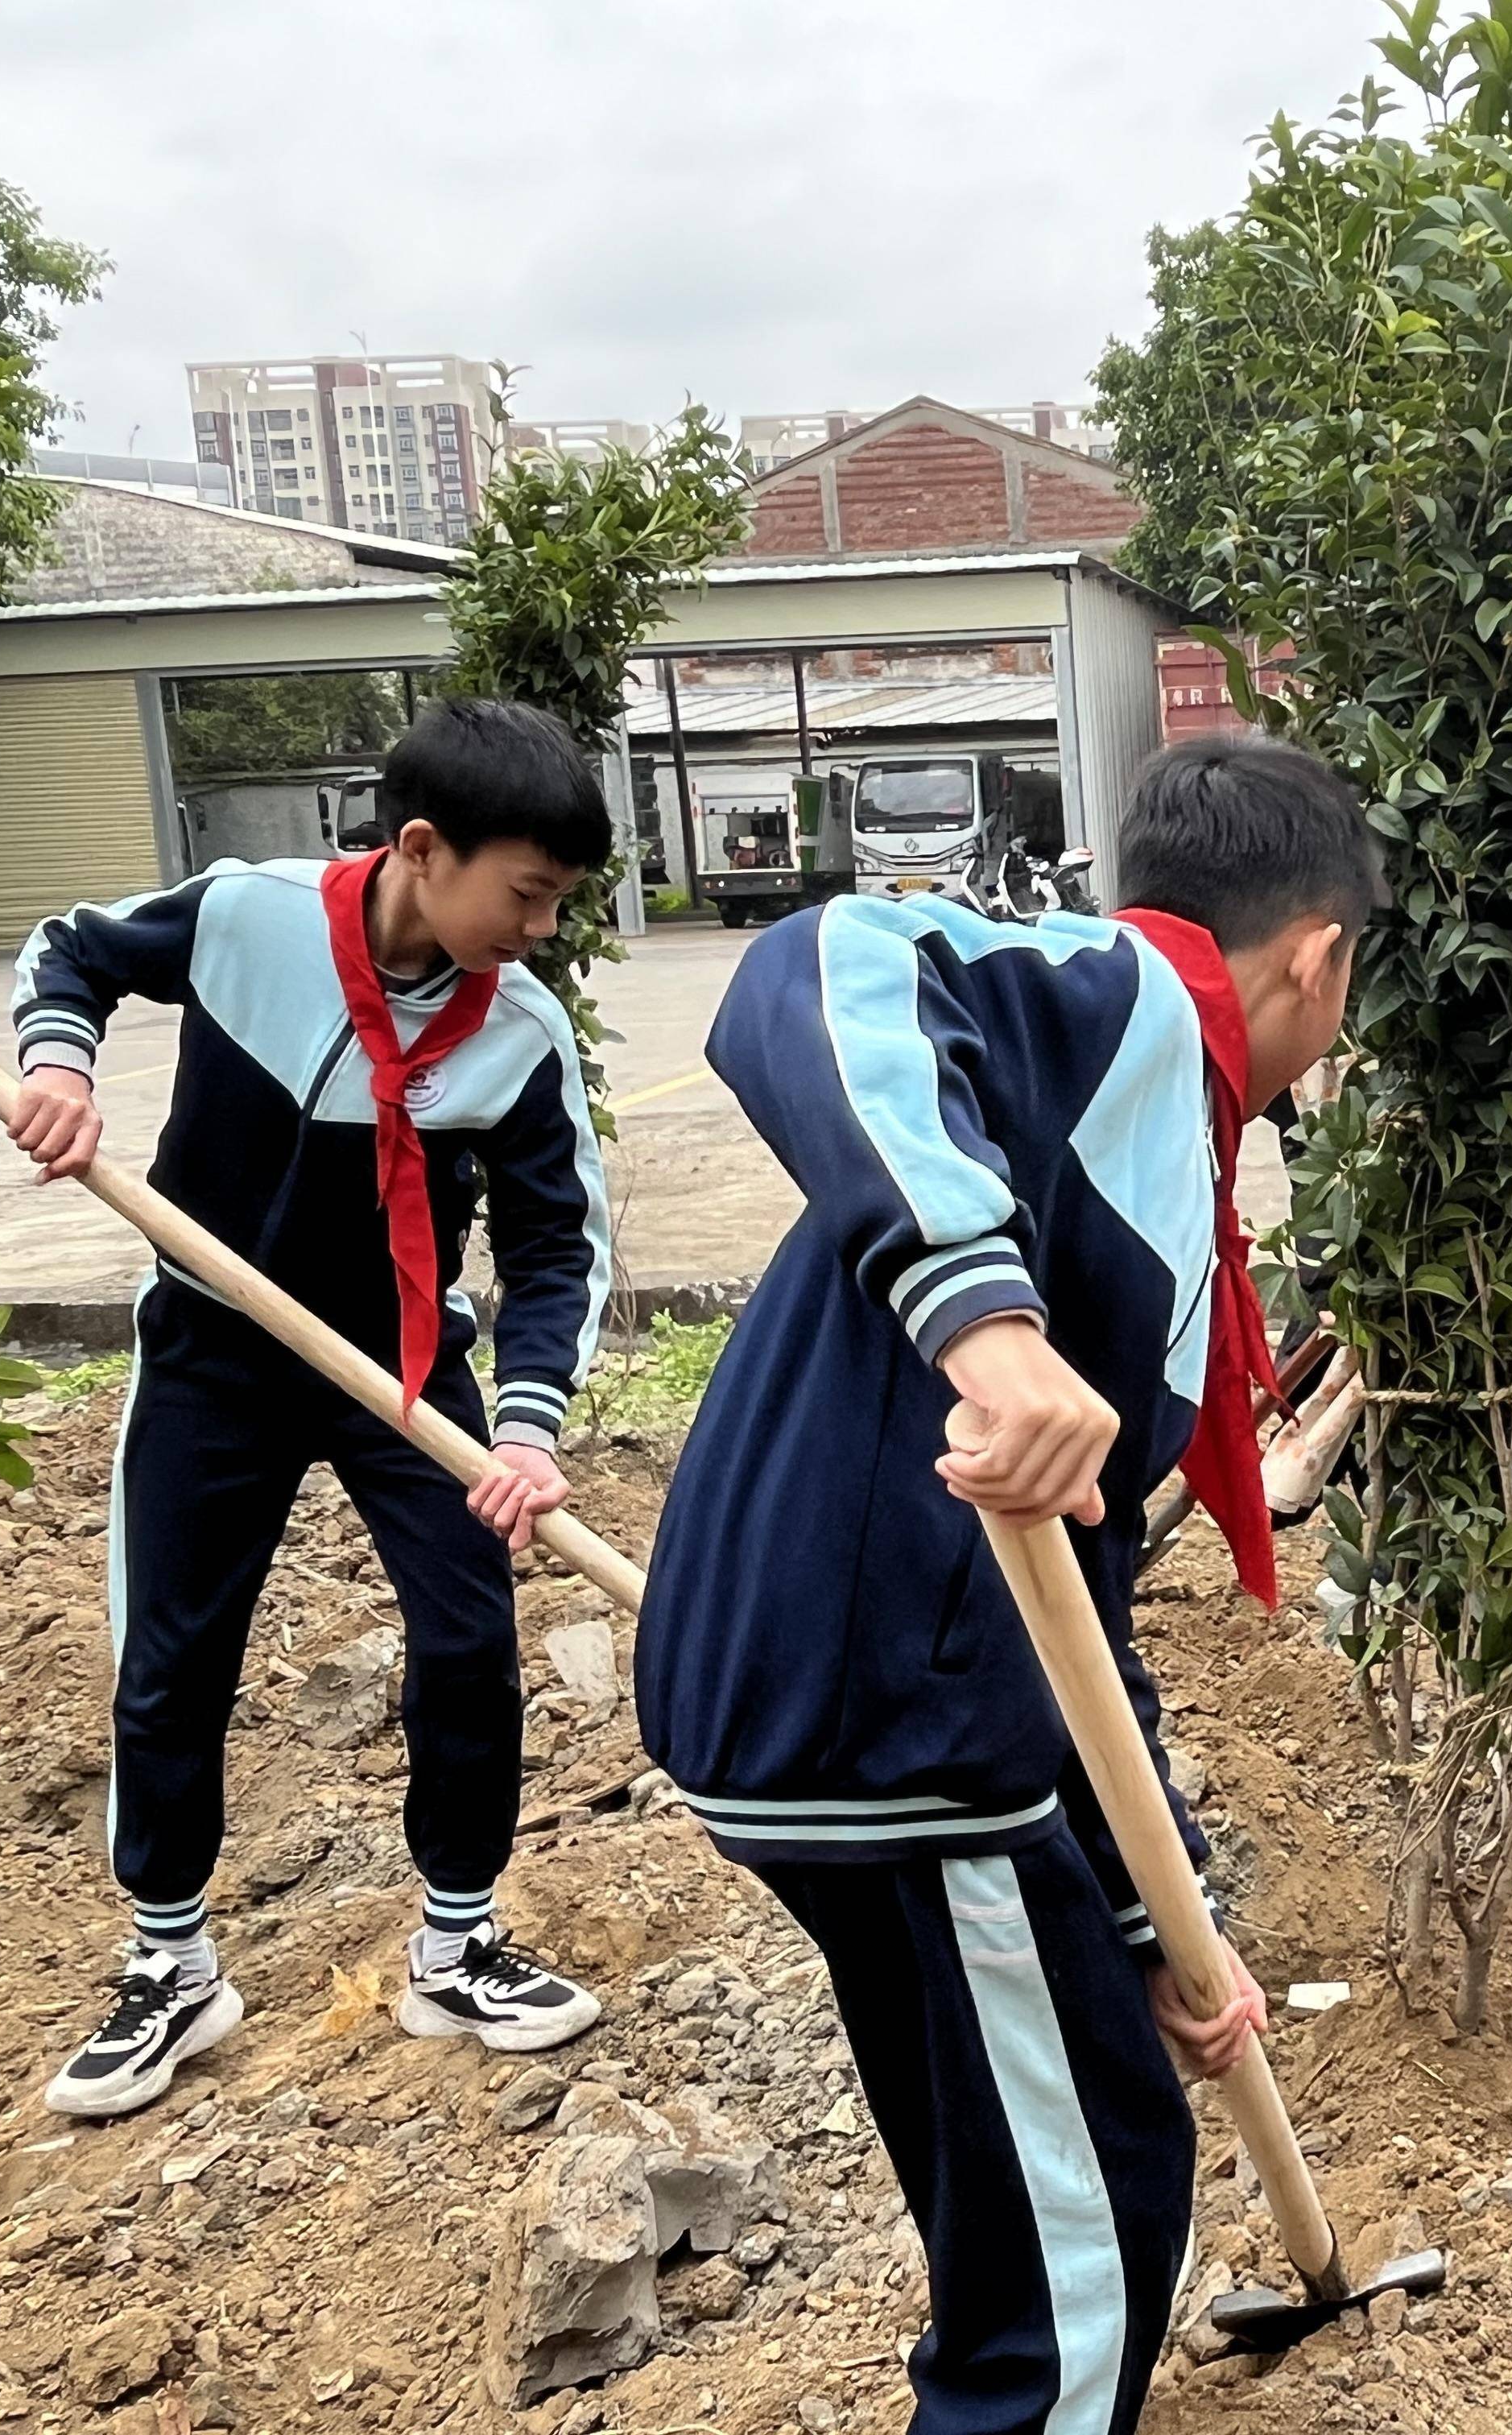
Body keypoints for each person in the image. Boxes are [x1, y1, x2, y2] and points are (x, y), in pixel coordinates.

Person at [633, 734, 1378, 2435]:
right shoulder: (1119, 997)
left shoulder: (1152, 1125)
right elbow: (816, 962)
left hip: (864, 1715)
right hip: (895, 1732)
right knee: (1087, 2240)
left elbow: (1076, 1598)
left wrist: (1157, 1914)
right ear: (1319, 959)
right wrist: (986, 1313)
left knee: (1027, 2142)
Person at [6, 697, 616, 2119]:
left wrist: (525, 1428)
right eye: (525, 893)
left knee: (469, 1638)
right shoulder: (247, 917)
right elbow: (71, 953)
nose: (539, 928)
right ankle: (171, 1964)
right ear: (422, 848)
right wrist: (57, 1063)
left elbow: (554, 1248)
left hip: (402, 1370)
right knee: (171, 1649)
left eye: (558, 901)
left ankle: (457, 1943)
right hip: (214, 1351)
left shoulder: (515, 1032)